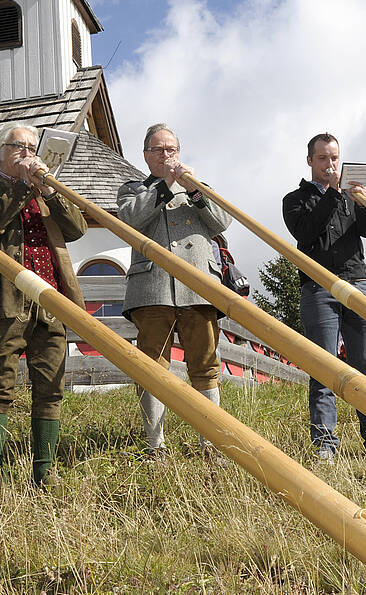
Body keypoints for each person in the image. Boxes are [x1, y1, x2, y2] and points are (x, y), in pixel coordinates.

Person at [0, 123, 87, 489]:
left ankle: (44, 474)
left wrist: (48, 190)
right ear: (0, 150)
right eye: (19, 146)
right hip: (2, 300)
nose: (29, 152)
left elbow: (78, 228)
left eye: (34, 146)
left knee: (51, 387)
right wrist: (20, 187)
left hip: (51, 301)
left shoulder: (45, 190)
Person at [117, 123, 231, 457]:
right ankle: (156, 445)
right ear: (146, 156)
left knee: (206, 364)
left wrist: (194, 190)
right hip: (153, 290)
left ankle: (210, 442)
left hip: (198, 290)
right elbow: (129, 218)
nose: (166, 156)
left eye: (172, 150)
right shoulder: (133, 189)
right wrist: (166, 185)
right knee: (151, 366)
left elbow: (222, 221)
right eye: (159, 150)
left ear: (179, 152)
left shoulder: (197, 188)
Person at [282, 132, 366, 461]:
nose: (331, 164)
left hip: (357, 283)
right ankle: (326, 446)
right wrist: (332, 193)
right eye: (324, 158)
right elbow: (305, 232)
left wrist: (364, 200)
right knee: (323, 367)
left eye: (335, 158)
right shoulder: (295, 199)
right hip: (318, 286)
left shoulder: (350, 196)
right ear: (311, 161)